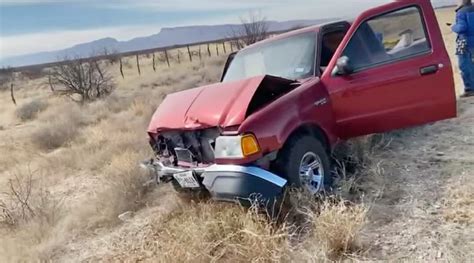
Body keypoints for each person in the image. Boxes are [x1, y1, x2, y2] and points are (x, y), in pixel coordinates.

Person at [452, 0, 474, 98]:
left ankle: (469, 89)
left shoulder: (461, 12)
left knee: (463, 65)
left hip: (463, 41)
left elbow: (461, 28)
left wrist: (453, 27)